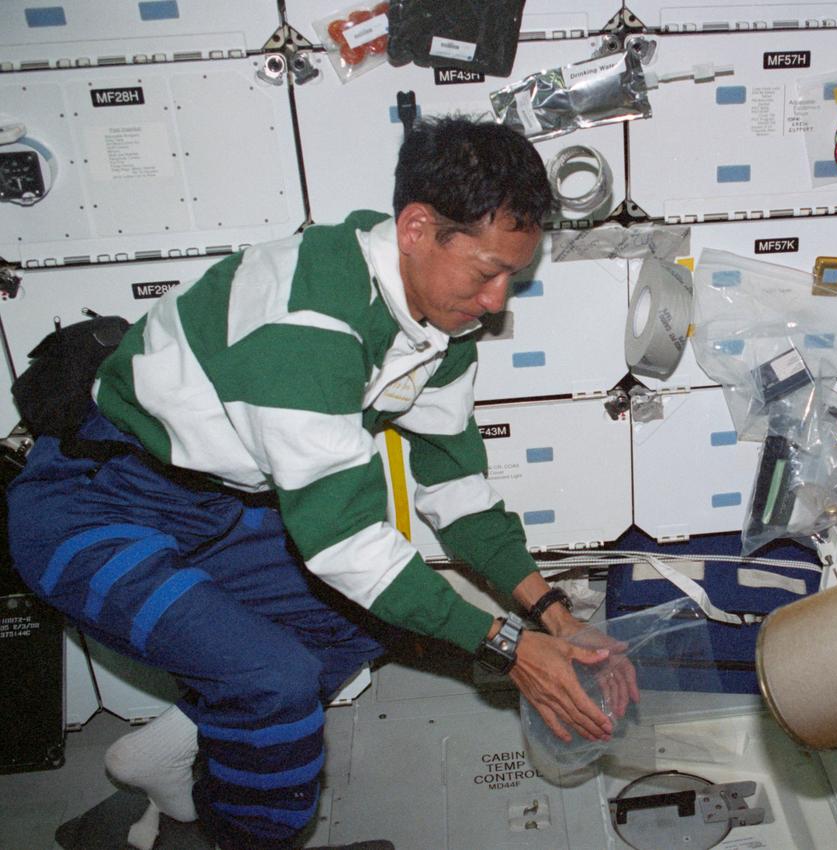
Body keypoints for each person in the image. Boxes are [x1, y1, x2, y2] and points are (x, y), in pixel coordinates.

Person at [6, 115, 636, 850]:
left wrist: (553, 613)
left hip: (212, 506)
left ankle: (167, 749)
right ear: (417, 227)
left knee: (359, 622)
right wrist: (508, 645)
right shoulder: (307, 323)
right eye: (487, 271)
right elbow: (342, 539)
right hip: (92, 508)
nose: (497, 302)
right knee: (273, 683)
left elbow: (456, 490)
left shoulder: (439, 325)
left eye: (513, 278)